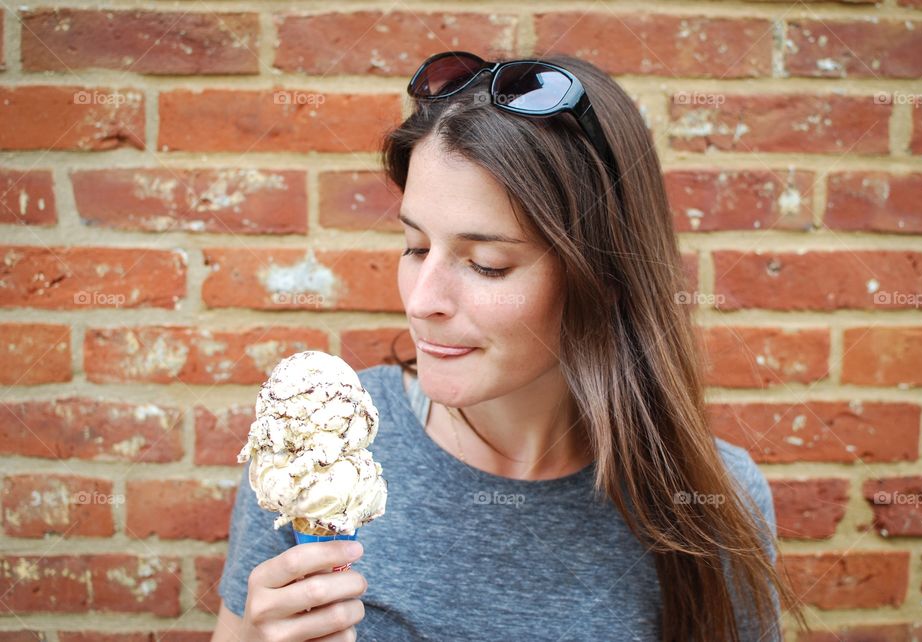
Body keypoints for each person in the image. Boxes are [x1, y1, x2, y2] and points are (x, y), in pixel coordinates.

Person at [212, 51, 810, 642]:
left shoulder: (708, 502)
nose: (423, 301)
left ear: (601, 282)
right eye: (416, 247)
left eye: (487, 264)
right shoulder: (317, 440)